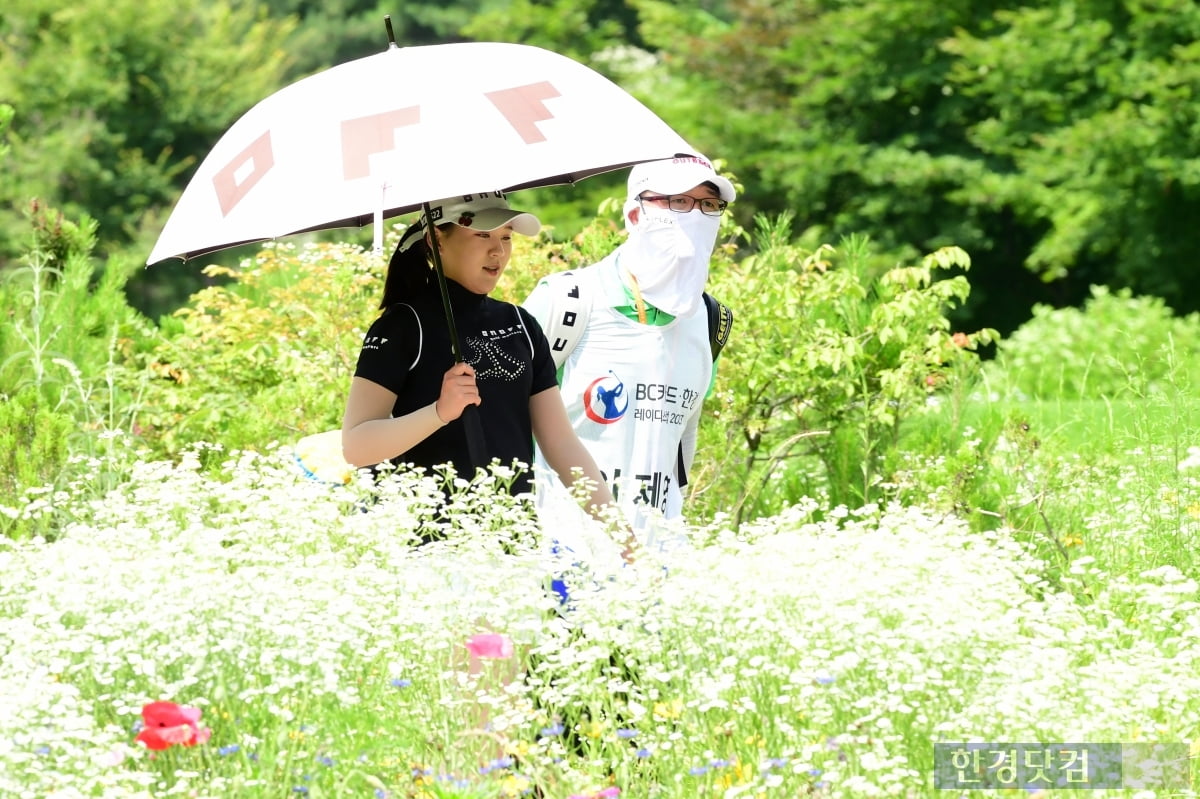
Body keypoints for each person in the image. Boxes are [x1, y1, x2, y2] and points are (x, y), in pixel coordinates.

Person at [341, 191, 627, 550]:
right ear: (435, 240)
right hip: (422, 552)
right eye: (482, 235)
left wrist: (625, 540)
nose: (499, 251)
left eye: (506, 236)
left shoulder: (520, 324)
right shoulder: (401, 324)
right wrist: (439, 412)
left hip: (512, 546)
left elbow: (561, 445)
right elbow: (357, 445)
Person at [522, 153, 736, 537]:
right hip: (565, 550)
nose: (695, 217)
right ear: (634, 216)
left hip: (658, 556)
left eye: (708, 204)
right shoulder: (567, 300)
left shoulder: (711, 320)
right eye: (678, 201)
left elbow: (680, 448)